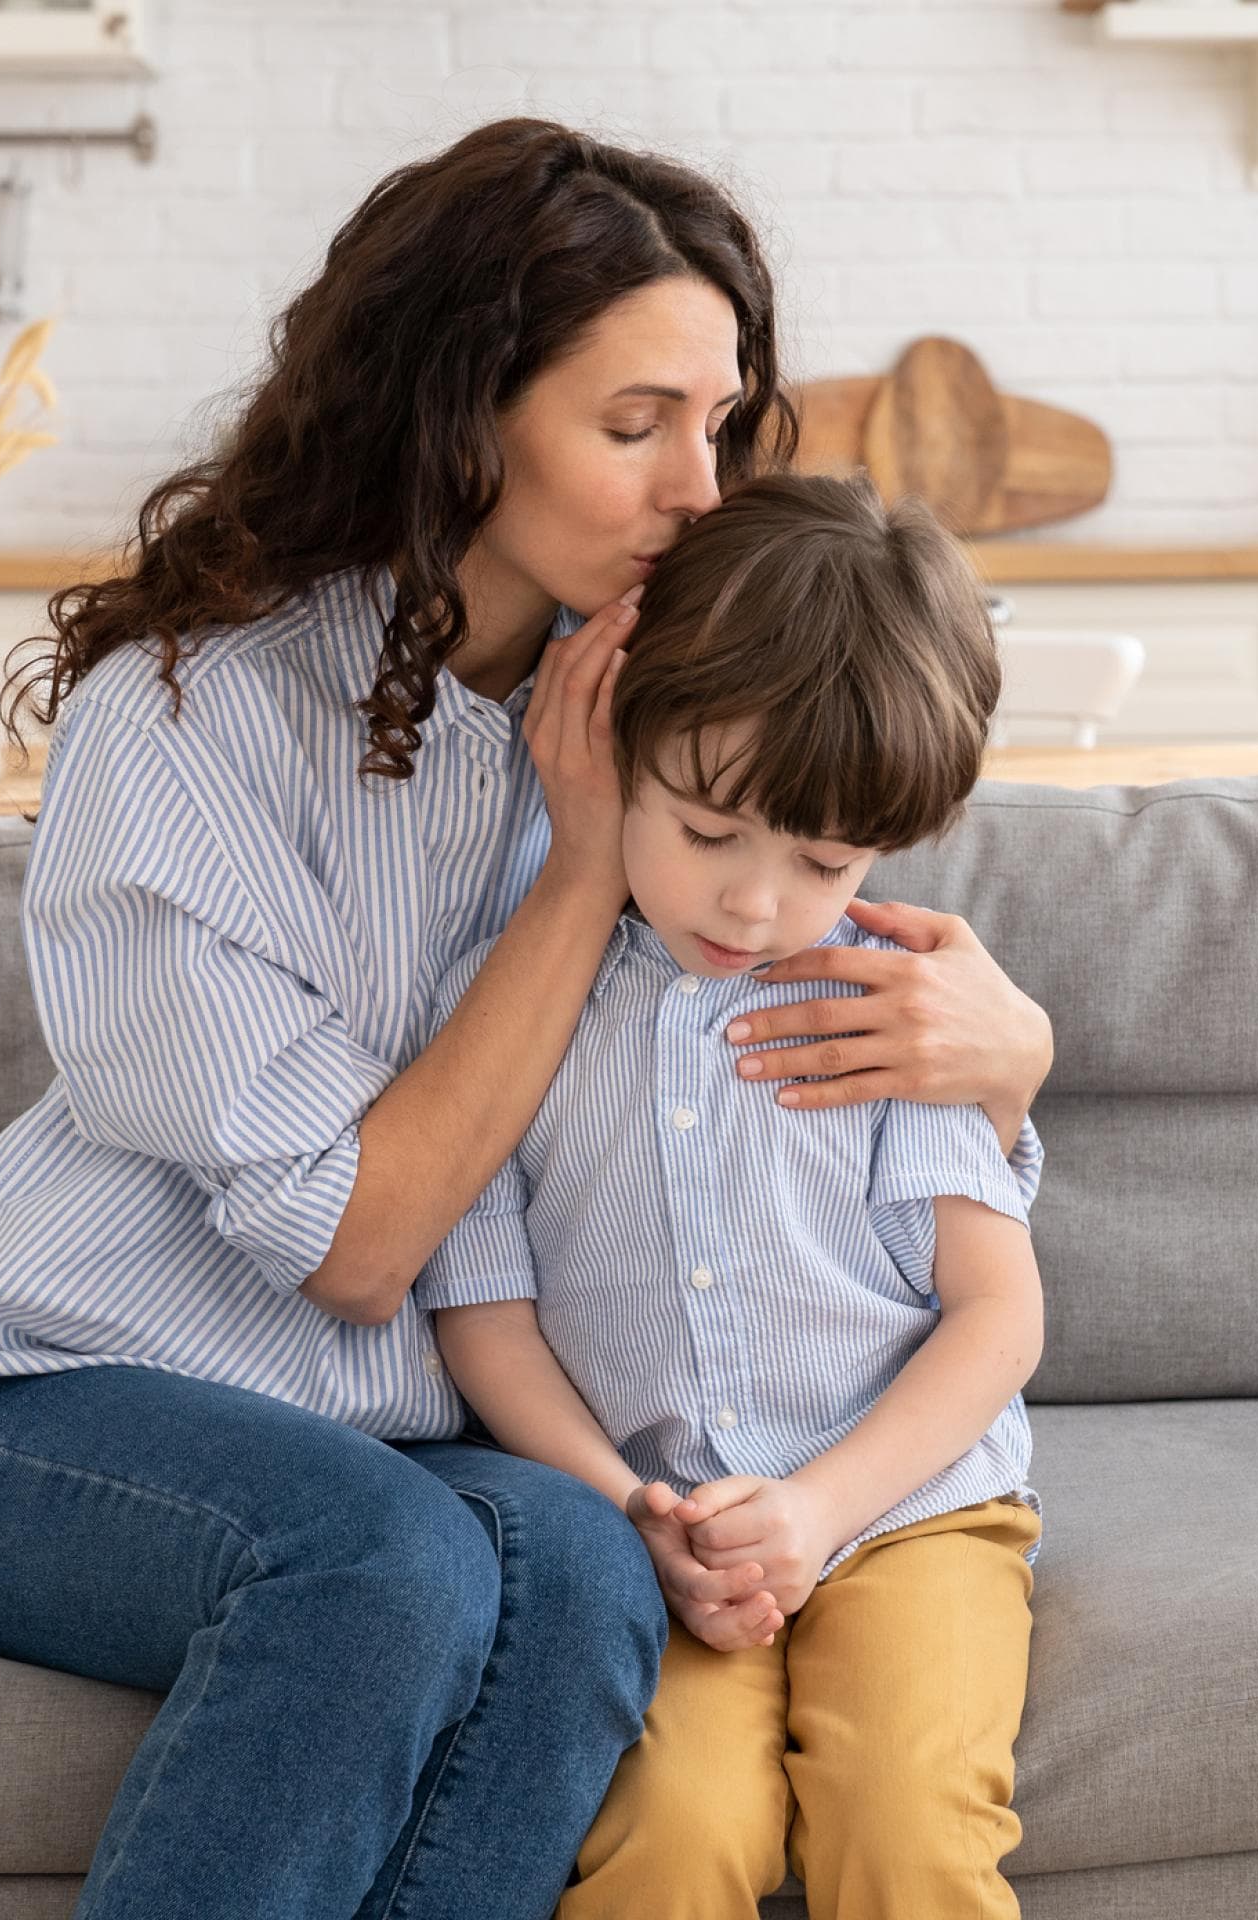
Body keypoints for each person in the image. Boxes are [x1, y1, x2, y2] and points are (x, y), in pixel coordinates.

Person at [0, 118, 1054, 1920]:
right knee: (390, 1568)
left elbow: (820, 967)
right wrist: (578, 868)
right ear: (464, 422)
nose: (698, 489)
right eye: (633, 426)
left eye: (717, 425)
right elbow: (364, 1243)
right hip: (58, 1397)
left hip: (416, 1435)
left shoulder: (670, 723)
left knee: (585, 1576)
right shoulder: (191, 718)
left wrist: (1011, 1065)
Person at [417, 470, 1047, 1920]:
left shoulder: (898, 1009)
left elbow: (996, 1315)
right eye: (708, 834)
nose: (757, 904)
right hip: (656, 1539)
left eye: (823, 861)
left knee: (907, 1823)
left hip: (908, 1515)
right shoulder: (513, 1009)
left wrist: (819, 1509)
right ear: (614, 744)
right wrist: (629, 1512)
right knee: (672, 1836)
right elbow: (484, 1319)